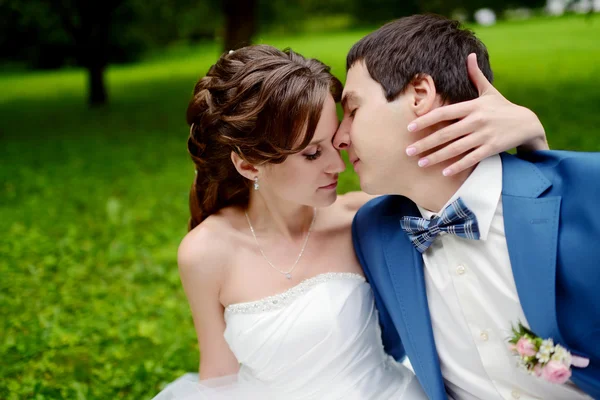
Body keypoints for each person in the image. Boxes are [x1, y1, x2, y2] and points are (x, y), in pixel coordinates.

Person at [152, 40, 548, 399]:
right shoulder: (205, 253)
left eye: (334, 139)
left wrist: (531, 135)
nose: (337, 165)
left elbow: (478, 204)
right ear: (249, 165)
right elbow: (219, 374)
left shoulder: (367, 217)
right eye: (311, 154)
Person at [337, 14, 599, 400]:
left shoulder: (587, 190)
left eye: (353, 110)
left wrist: (536, 141)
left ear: (419, 94)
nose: (341, 138)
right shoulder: (375, 231)